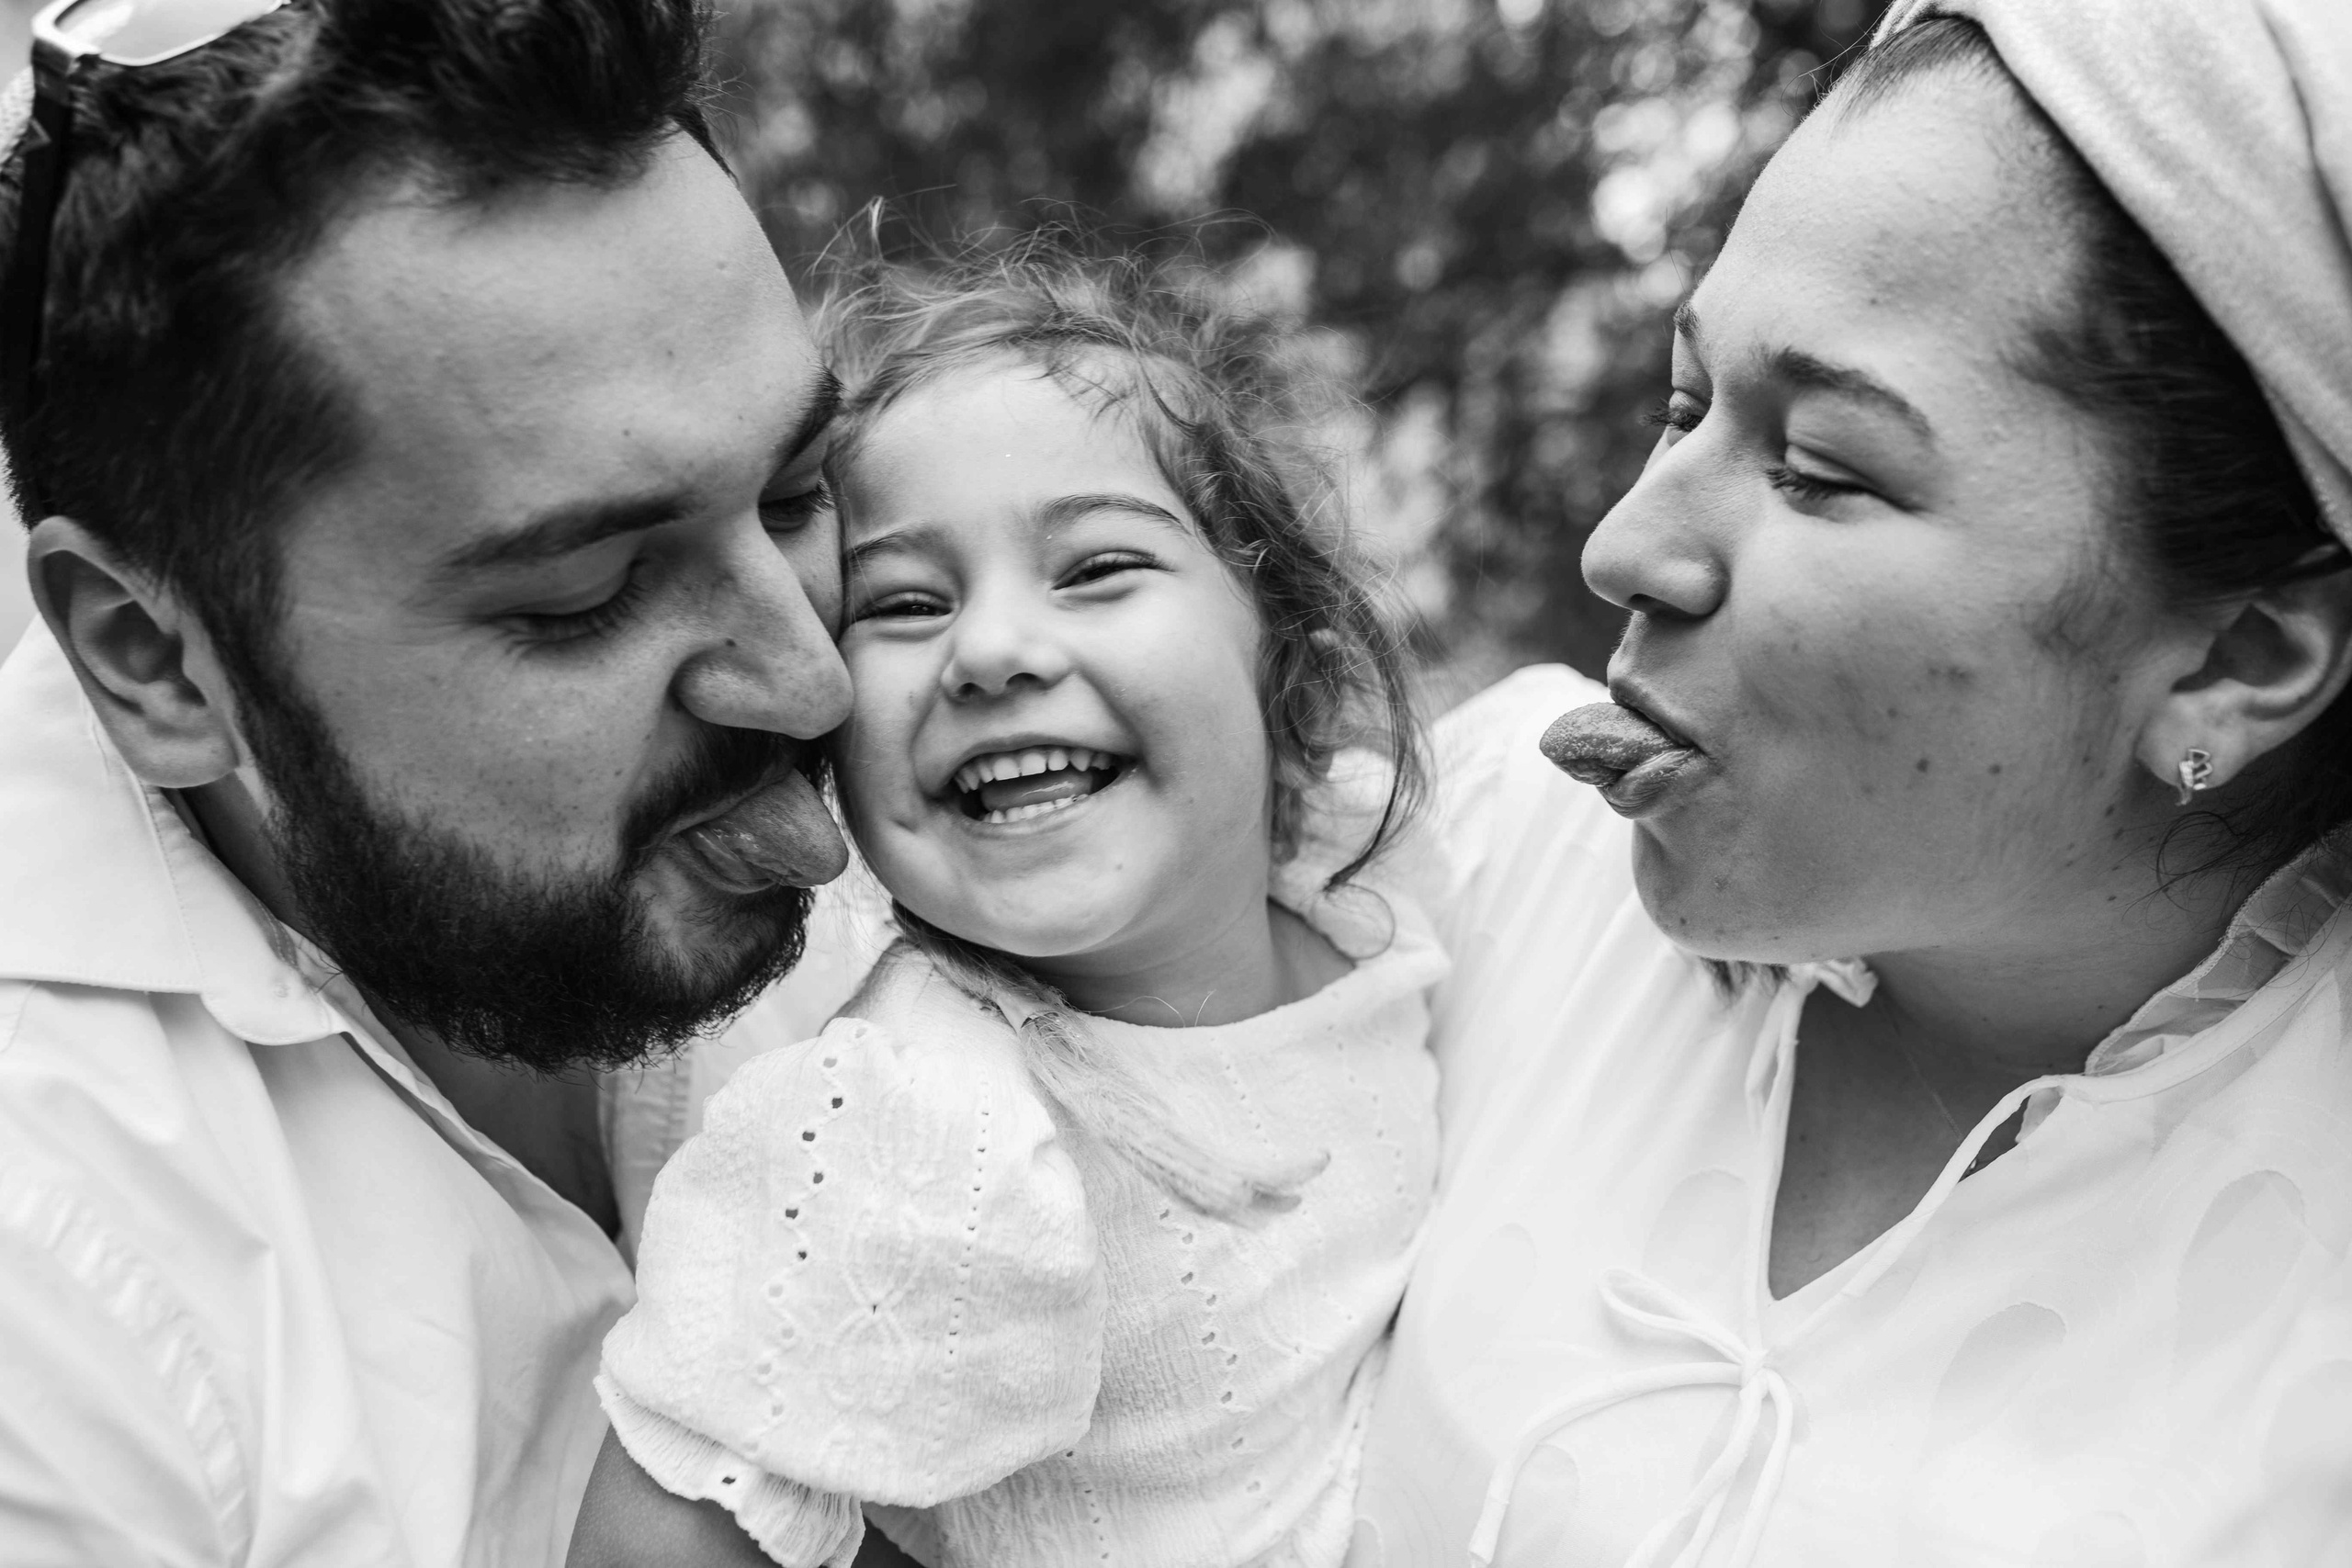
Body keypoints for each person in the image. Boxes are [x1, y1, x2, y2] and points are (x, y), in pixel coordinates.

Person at [1345, 2, 2352, 1564]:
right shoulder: (1461, 871)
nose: (1623, 547)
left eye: (1820, 468)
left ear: (2246, 657)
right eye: (1683, 406)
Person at [0, 0, 860, 1562]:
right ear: (153, 661)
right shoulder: (47, 1304)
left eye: (801, 495)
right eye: (587, 594)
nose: (813, 678)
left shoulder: (941, 758)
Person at [569, 255, 1442, 1568]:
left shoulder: (1354, 869)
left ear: (1288, 656)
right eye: (906, 605)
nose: (989, 653)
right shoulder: (919, 1129)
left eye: (1094, 569)